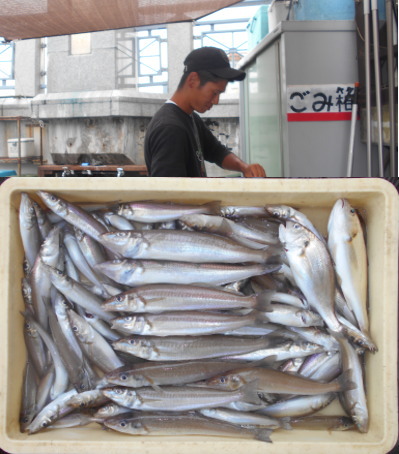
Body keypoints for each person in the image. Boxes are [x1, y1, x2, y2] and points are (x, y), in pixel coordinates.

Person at [144, 46, 266, 178]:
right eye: (214, 93)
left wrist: (243, 167)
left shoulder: (191, 117)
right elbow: (167, 193)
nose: (216, 101)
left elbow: (216, 151)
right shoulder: (170, 128)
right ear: (193, 80)